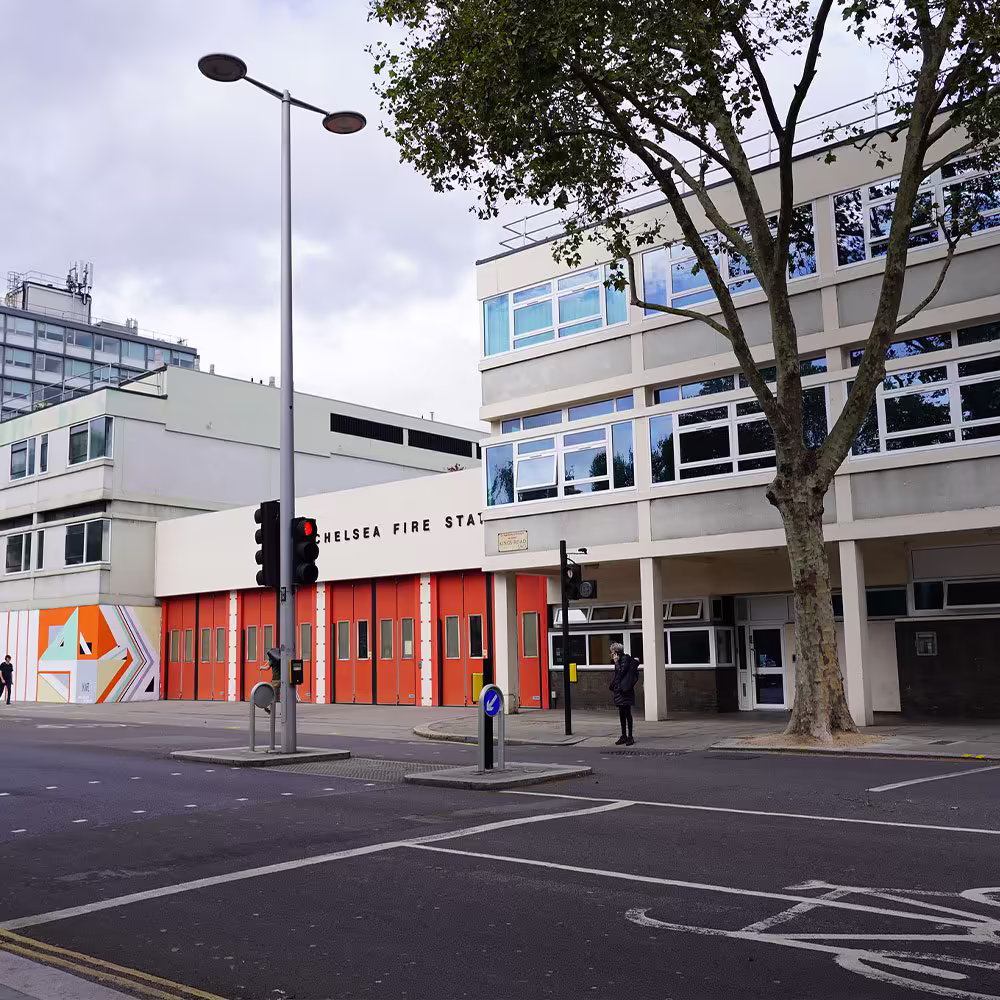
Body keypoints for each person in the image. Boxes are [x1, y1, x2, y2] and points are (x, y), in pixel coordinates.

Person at [609, 642, 638, 745]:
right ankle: (623, 735)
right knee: (622, 714)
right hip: (620, 691)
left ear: (616, 652)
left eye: (611, 652)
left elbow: (621, 673)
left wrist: (616, 662)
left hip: (625, 691)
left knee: (627, 714)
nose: (611, 654)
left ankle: (630, 736)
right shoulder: (620, 660)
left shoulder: (625, 660)